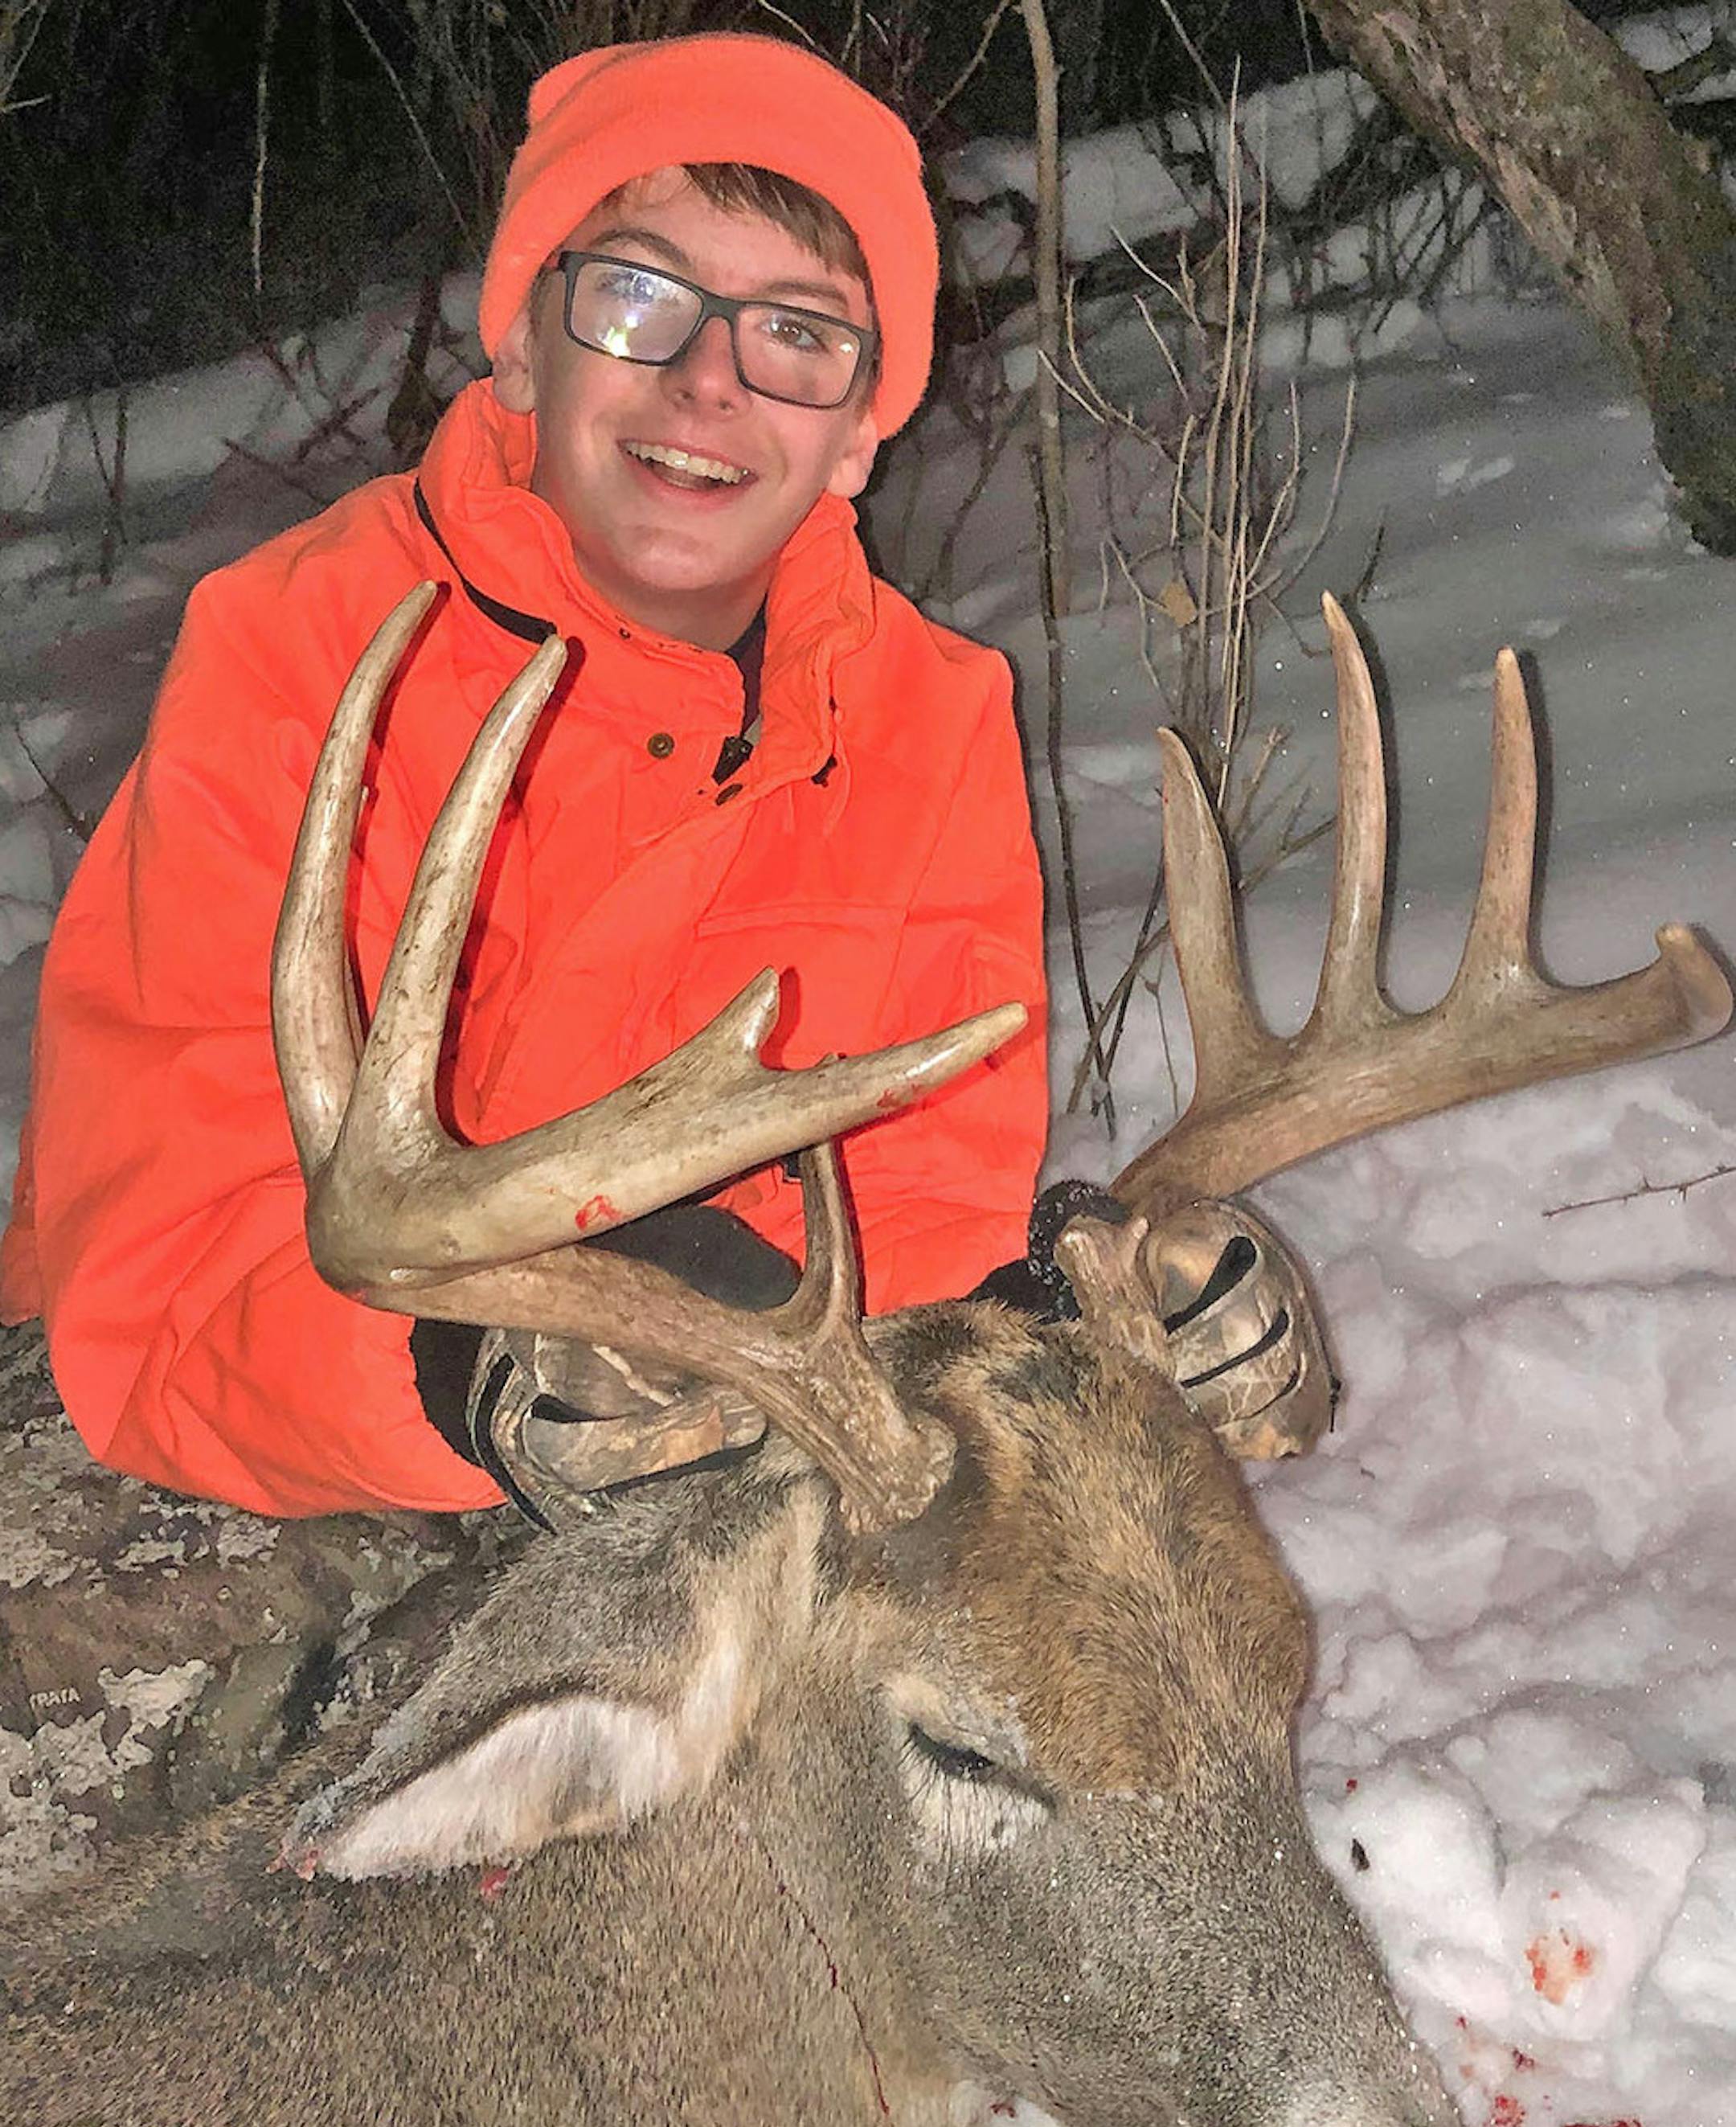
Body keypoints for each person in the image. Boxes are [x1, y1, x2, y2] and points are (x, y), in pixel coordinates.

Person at [0, 32, 1325, 1541]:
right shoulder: (298, 647)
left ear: (856, 431)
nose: (707, 383)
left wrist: (1067, 1317)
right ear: (522, 344)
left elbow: (913, 1215)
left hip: (692, 1436)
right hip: (229, 1441)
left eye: (798, 334)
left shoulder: (925, 721)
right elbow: (166, 1265)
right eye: (637, 297)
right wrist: (467, 1375)